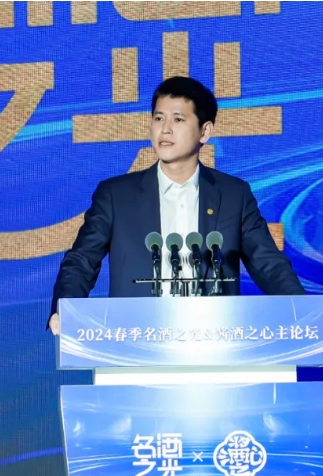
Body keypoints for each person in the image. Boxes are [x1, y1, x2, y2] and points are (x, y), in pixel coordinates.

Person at [48, 76, 304, 334]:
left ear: (205, 131)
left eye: (178, 120)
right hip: (135, 339)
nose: (165, 129)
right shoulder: (116, 195)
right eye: (159, 118)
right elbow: (82, 260)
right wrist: (65, 308)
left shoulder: (233, 194)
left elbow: (268, 263)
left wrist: (302, 312)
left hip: (215, 340)